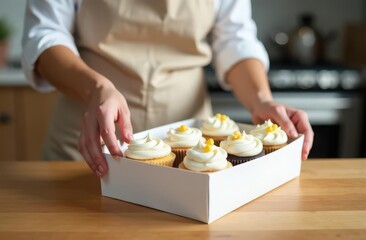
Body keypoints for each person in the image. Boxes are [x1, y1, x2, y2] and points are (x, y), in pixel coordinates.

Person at [22, 0, 314, 177]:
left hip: (197, 150)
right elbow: (45, 34)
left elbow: (235, 39)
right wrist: (97, 88)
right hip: (91, 140)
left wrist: (261, 98)